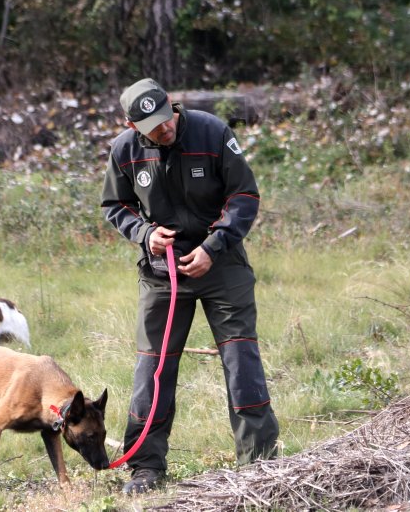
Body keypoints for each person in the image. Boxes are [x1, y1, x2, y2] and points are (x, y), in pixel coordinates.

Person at [101, 78, 280, 494]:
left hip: (221, 266)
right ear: (131, 125)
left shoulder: (212, 131)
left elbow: (244, 196)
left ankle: (259, 465)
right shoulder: (123, 151)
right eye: (152, 128)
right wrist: (145, 234)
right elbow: (116, 205)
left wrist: (213, 247)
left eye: (166, 121)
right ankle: (145, 467)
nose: (164, 131)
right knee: (154, 367)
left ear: (173, 107)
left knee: (241, 360)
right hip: (162, 274)